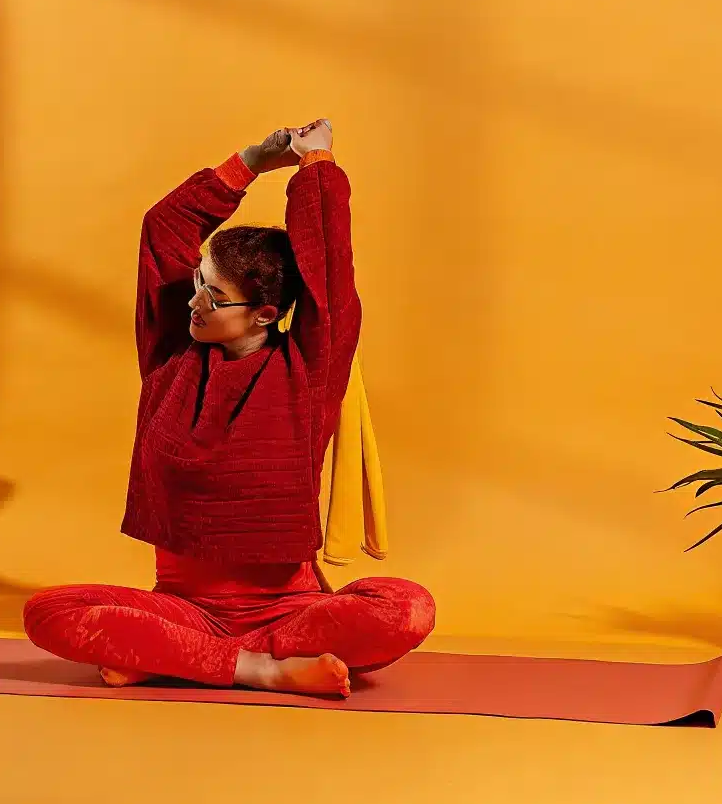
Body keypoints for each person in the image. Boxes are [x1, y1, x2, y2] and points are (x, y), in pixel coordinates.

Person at [21, 120, 435, 696]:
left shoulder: (310, 374)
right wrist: (253, 161)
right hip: (185, 610)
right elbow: (164, 226)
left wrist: (317, 166)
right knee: (49, 612)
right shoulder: (169, 352)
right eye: (197, 282)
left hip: (292, 614)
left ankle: (186, 660)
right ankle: (259, 669)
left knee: (406, 609)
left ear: (265, 313)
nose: (194, 301)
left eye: (213, 297)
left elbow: (331, 276)